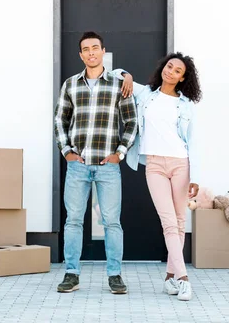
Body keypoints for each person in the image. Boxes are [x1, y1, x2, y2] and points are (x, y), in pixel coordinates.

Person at [54, 31, 138, 294]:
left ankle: (115, 275)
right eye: (85, 49)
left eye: (95, 48)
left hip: (108, 166)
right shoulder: (70, 85)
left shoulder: (118, 84)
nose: (91, 53)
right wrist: (67, 151)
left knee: (112, 222)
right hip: (78, 165)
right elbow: (60, 121)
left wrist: (120, 153)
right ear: (80, 55)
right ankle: (71, 274)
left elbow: (132, 122)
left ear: (103, 51)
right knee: (74, 221)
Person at [114, 52, 202, 301]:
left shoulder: (185, 105)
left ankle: (170, 278)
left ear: (183, 78)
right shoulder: (145, 94)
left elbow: (193, 141)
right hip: (153, 164)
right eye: (169, 66)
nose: (171, 71)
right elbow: (113, 73)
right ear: (163, 67)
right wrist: (127, 75)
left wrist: (195, 174)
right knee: (168, 222)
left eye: (177, 70)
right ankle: (183, 278)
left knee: (179, 221)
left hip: (180, 164)